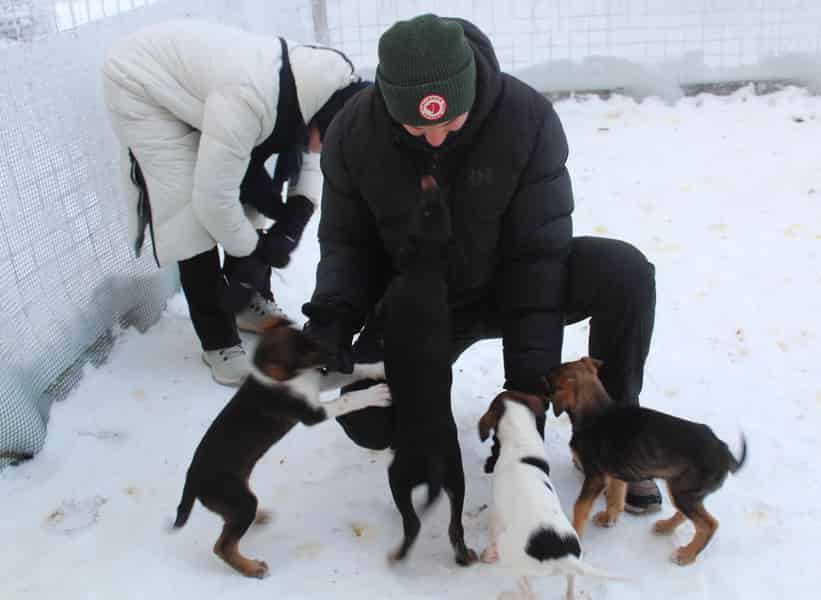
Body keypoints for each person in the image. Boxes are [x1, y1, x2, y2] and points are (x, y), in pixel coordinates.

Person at [302, 14, 662, 513]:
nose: (434, 140)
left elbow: (539, 261)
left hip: (517, 281)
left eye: (450, 124)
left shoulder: (526, 118)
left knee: (625, 273)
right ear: (387, 101)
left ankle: (612, 436)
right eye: (416, 127)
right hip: (420, 303)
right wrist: (332, 321)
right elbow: (348, 245)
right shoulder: (352, 135)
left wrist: (525, 405)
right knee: (368, 421)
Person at [102, 19, 370, 386]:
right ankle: (218, 342)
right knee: (189, 215)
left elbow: (310, 158)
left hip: (214, 90)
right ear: (317, 124)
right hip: (140, 84)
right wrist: (258, 251)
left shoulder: (330, 91)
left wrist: (293, 221)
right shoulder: (252, 99)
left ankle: (249, 304)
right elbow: (213, 201)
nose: (325, 153)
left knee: (253, 186)